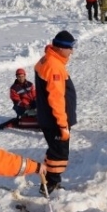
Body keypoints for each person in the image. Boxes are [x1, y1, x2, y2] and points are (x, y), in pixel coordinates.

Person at [34, 31, 78, 195]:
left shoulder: (47, 59)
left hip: (48, 118)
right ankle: (50, 187)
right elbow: (56, 99)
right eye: (70, 48)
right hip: (55, 121)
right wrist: (62, 125)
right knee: (58, 153)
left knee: (54, 151)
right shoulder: (54, 67)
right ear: (60, 48)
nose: (72, 52)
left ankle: (51, 183)